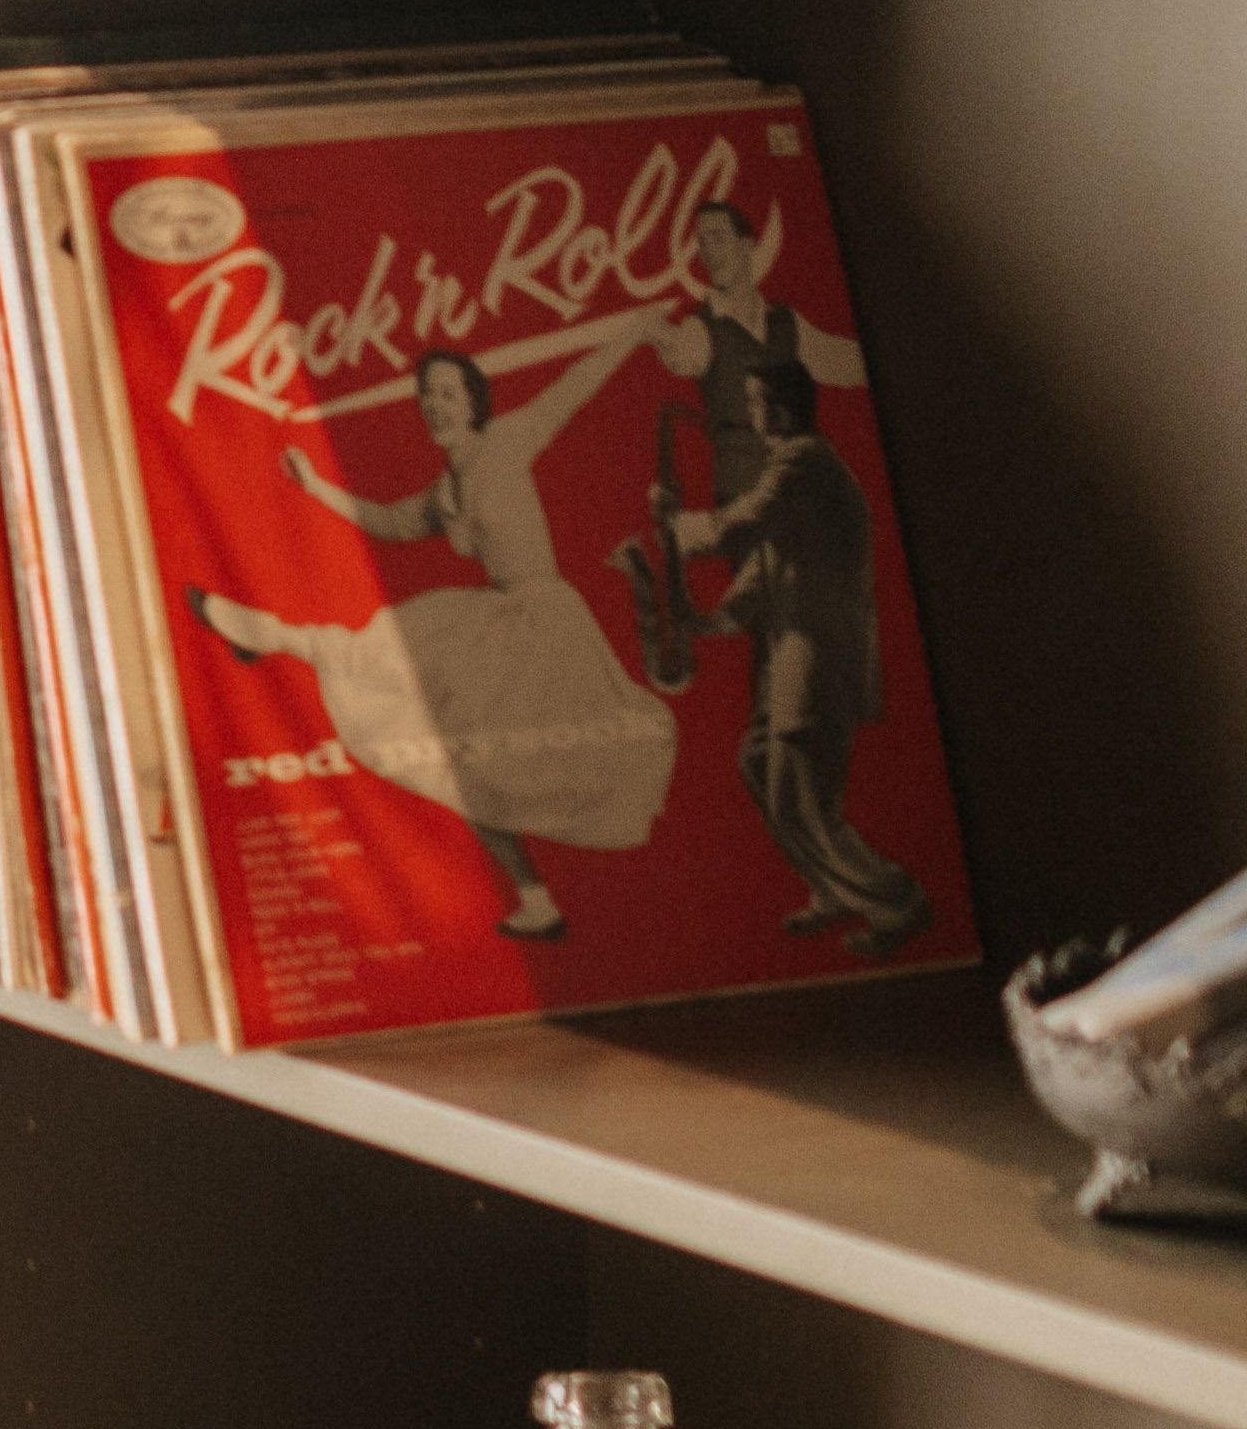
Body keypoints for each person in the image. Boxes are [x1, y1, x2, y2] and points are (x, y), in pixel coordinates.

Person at [190, 316, 677, 942]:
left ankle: (272, 636)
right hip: (498, 622)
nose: (434, 406)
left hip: (546, 625)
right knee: (461, 765)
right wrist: (312, 484)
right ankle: (536, 901)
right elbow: (387, 522)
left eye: (447, 393)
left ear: (472, 400)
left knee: (525, 764)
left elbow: (576, 384)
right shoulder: (444, 489)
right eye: (426, 397)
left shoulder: (508, 439)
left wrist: (635, 333)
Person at [644, 200, 923, 949]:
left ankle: (881, 894)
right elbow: (681, 356)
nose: (708, 250)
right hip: (769, 551)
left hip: (810, 609)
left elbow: (847, 362)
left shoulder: (800, 452)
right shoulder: (705, 328)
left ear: (746, 245)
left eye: (718, 237)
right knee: (764, 748)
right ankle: (832, 882)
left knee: (789, 741)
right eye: (696, 240)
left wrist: (686, 535)